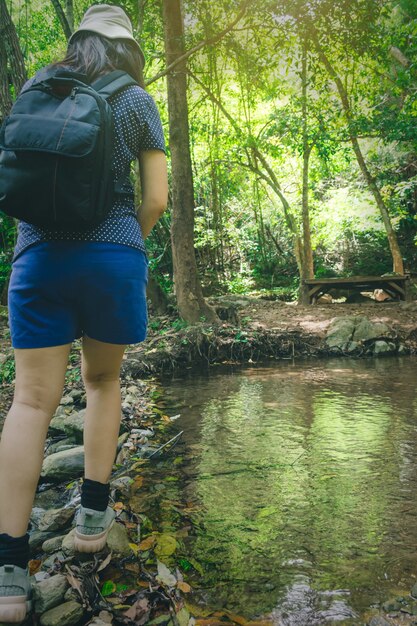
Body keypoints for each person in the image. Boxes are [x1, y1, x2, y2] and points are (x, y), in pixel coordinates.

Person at [0, 5, 168, 622]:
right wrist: (126, 243)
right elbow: (155, 197)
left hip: (38, 257)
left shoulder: (37, 87)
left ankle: (8, 574)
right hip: (111, 256)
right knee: (102, 382)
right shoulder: (134, 99)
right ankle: (93, 523)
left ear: (79, 44)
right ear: (126, 51)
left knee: (30, 402)